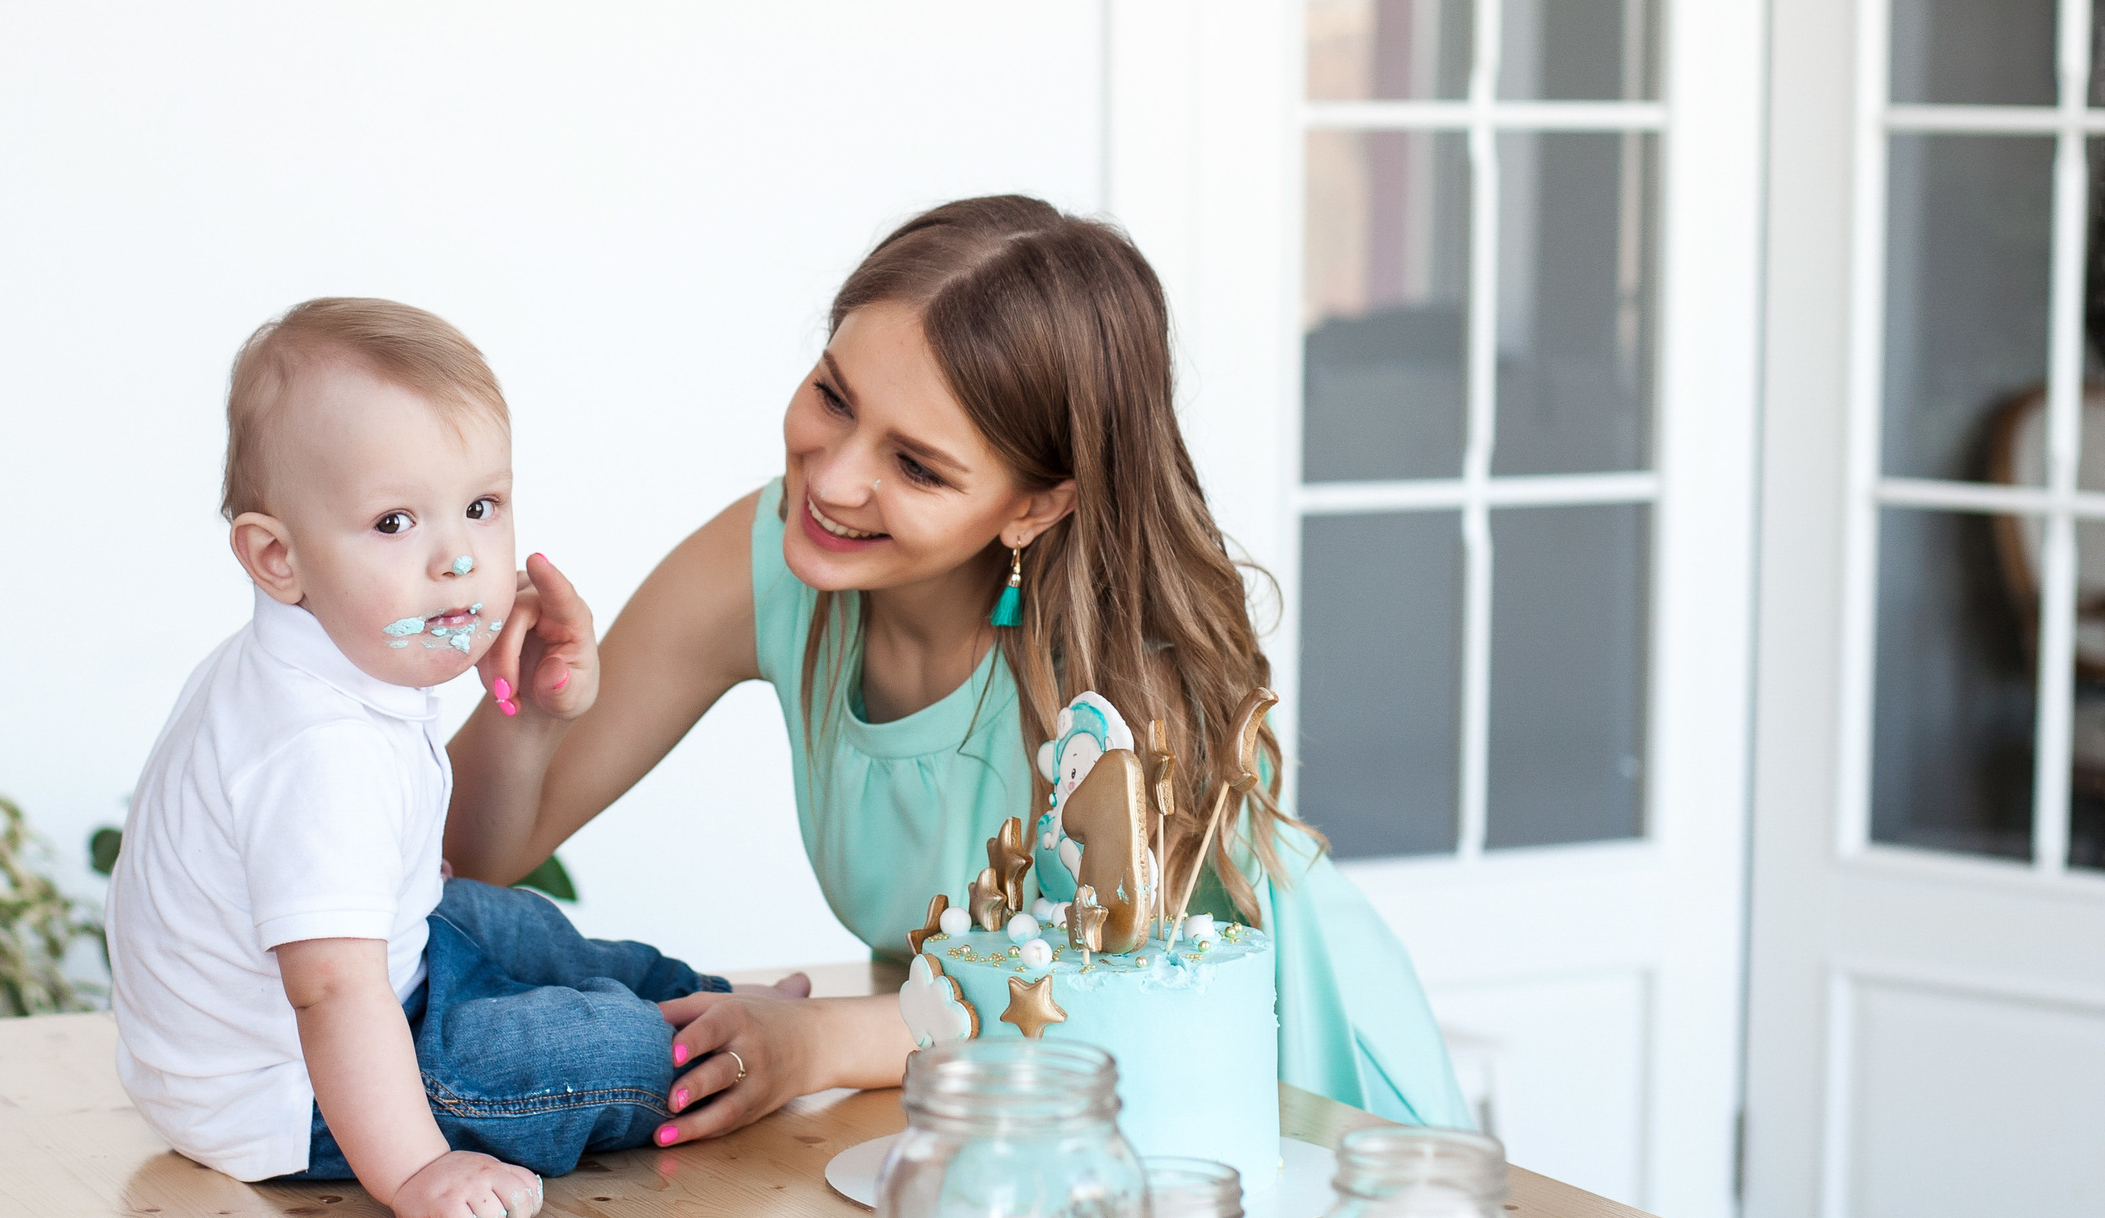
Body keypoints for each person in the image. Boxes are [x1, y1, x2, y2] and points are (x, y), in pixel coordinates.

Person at [446, 196, 1471, 1145]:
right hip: (983, 1112)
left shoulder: (1114, 687)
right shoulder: (767, 554)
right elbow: (462, 860)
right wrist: (531, 717)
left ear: (1034, 505)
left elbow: (1104, 1003)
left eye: (916, 464)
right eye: (832, 397)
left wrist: (819, 1044)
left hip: (1276, 1098)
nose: (834, 477)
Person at [105, 298, 759, 1218]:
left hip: (373, 984)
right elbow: (332, 989)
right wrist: (419, 1169)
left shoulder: (326, 659)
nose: (459, 561)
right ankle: (710, 1049)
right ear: (277, 556)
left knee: (518, 923)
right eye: (395, 520)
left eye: (481, 507)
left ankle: (720, 1004)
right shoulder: (311, 745)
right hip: (298, 1088)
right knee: (582, 1047)